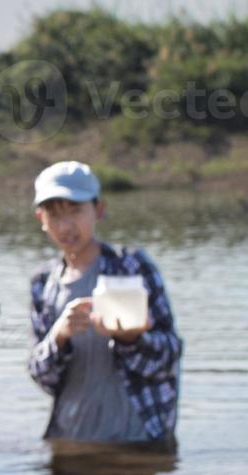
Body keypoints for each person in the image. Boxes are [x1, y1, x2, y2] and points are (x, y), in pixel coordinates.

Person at [28, 161, 182, 448]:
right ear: (41, 218)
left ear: (98, 210)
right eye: (54, 213)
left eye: (75, 211)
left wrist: (132, 339)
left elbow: (169, 355)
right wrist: (60, 336)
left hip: (140, 438)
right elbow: (42, 377)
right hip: (71, 439)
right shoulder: (42, 283)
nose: (66, 226)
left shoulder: (133, 266)